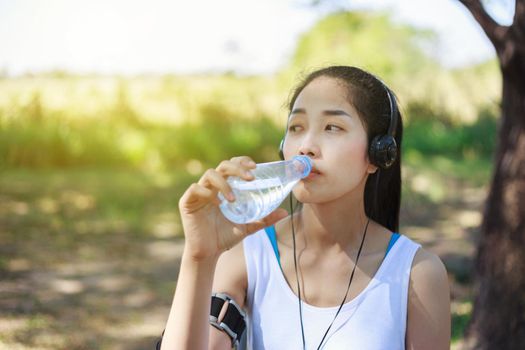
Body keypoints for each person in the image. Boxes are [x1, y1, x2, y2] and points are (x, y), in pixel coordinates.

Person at [157, 66, 451, 349]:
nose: (306, 145)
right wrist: (199, 257)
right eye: (296, 127)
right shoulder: (250, 256)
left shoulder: (417, 273)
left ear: (377, 154)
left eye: (332, 127)